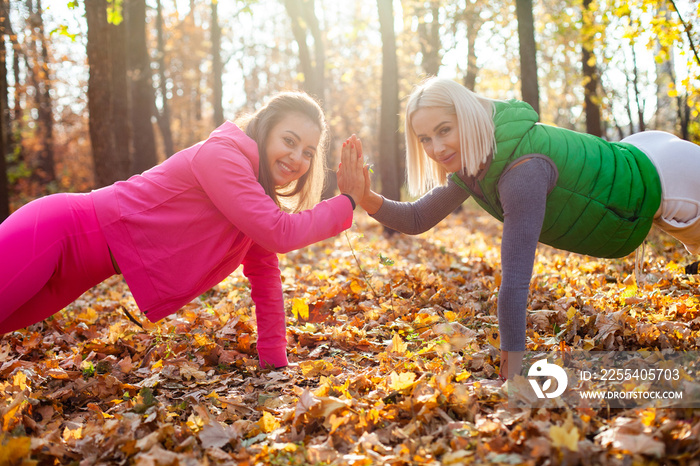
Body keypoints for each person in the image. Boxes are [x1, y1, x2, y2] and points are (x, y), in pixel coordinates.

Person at [357, 76, 700, 379]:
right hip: (640, 153)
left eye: (444, 130)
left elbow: (516, 279)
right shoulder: (477, 163)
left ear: (469, 116)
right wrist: (365, 196)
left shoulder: (522, 169)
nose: (436, 148)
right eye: (425, 139)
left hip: (671, 180)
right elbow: (418, 218)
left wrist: (514, 373)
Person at [0, 91, 366, 369]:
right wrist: (346, 202)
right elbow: (281, 233)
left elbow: (265, 275)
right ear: (265, 129)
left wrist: (275, 363)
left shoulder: (251, 197)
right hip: (56, 233)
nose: (298, 158)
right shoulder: (222, 155)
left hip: (78, 272)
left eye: (308, 151)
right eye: (289, 141)